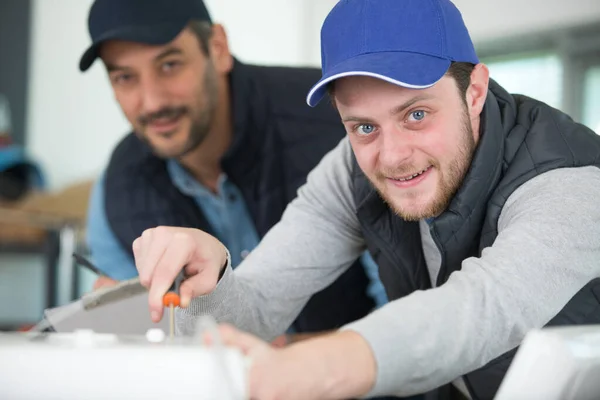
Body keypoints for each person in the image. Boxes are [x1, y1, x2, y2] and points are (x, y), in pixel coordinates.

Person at [133, 0, 600, 399]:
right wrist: (209, 275)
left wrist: (319, 365)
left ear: (474, 91)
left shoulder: (570, 180)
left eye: (416, 114)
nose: (392, 156)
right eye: (363, 126)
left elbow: (480, 308)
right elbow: (256, 306)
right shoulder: (350, 169)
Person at [79, 0, 386, 341]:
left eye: (169, 65)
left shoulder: (342, 127)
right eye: (124, 77)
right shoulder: (116, 188)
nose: (152, 101)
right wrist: (132, 320)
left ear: (218, 48)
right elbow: (150, 339)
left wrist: (287, 358)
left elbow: (405, 313)